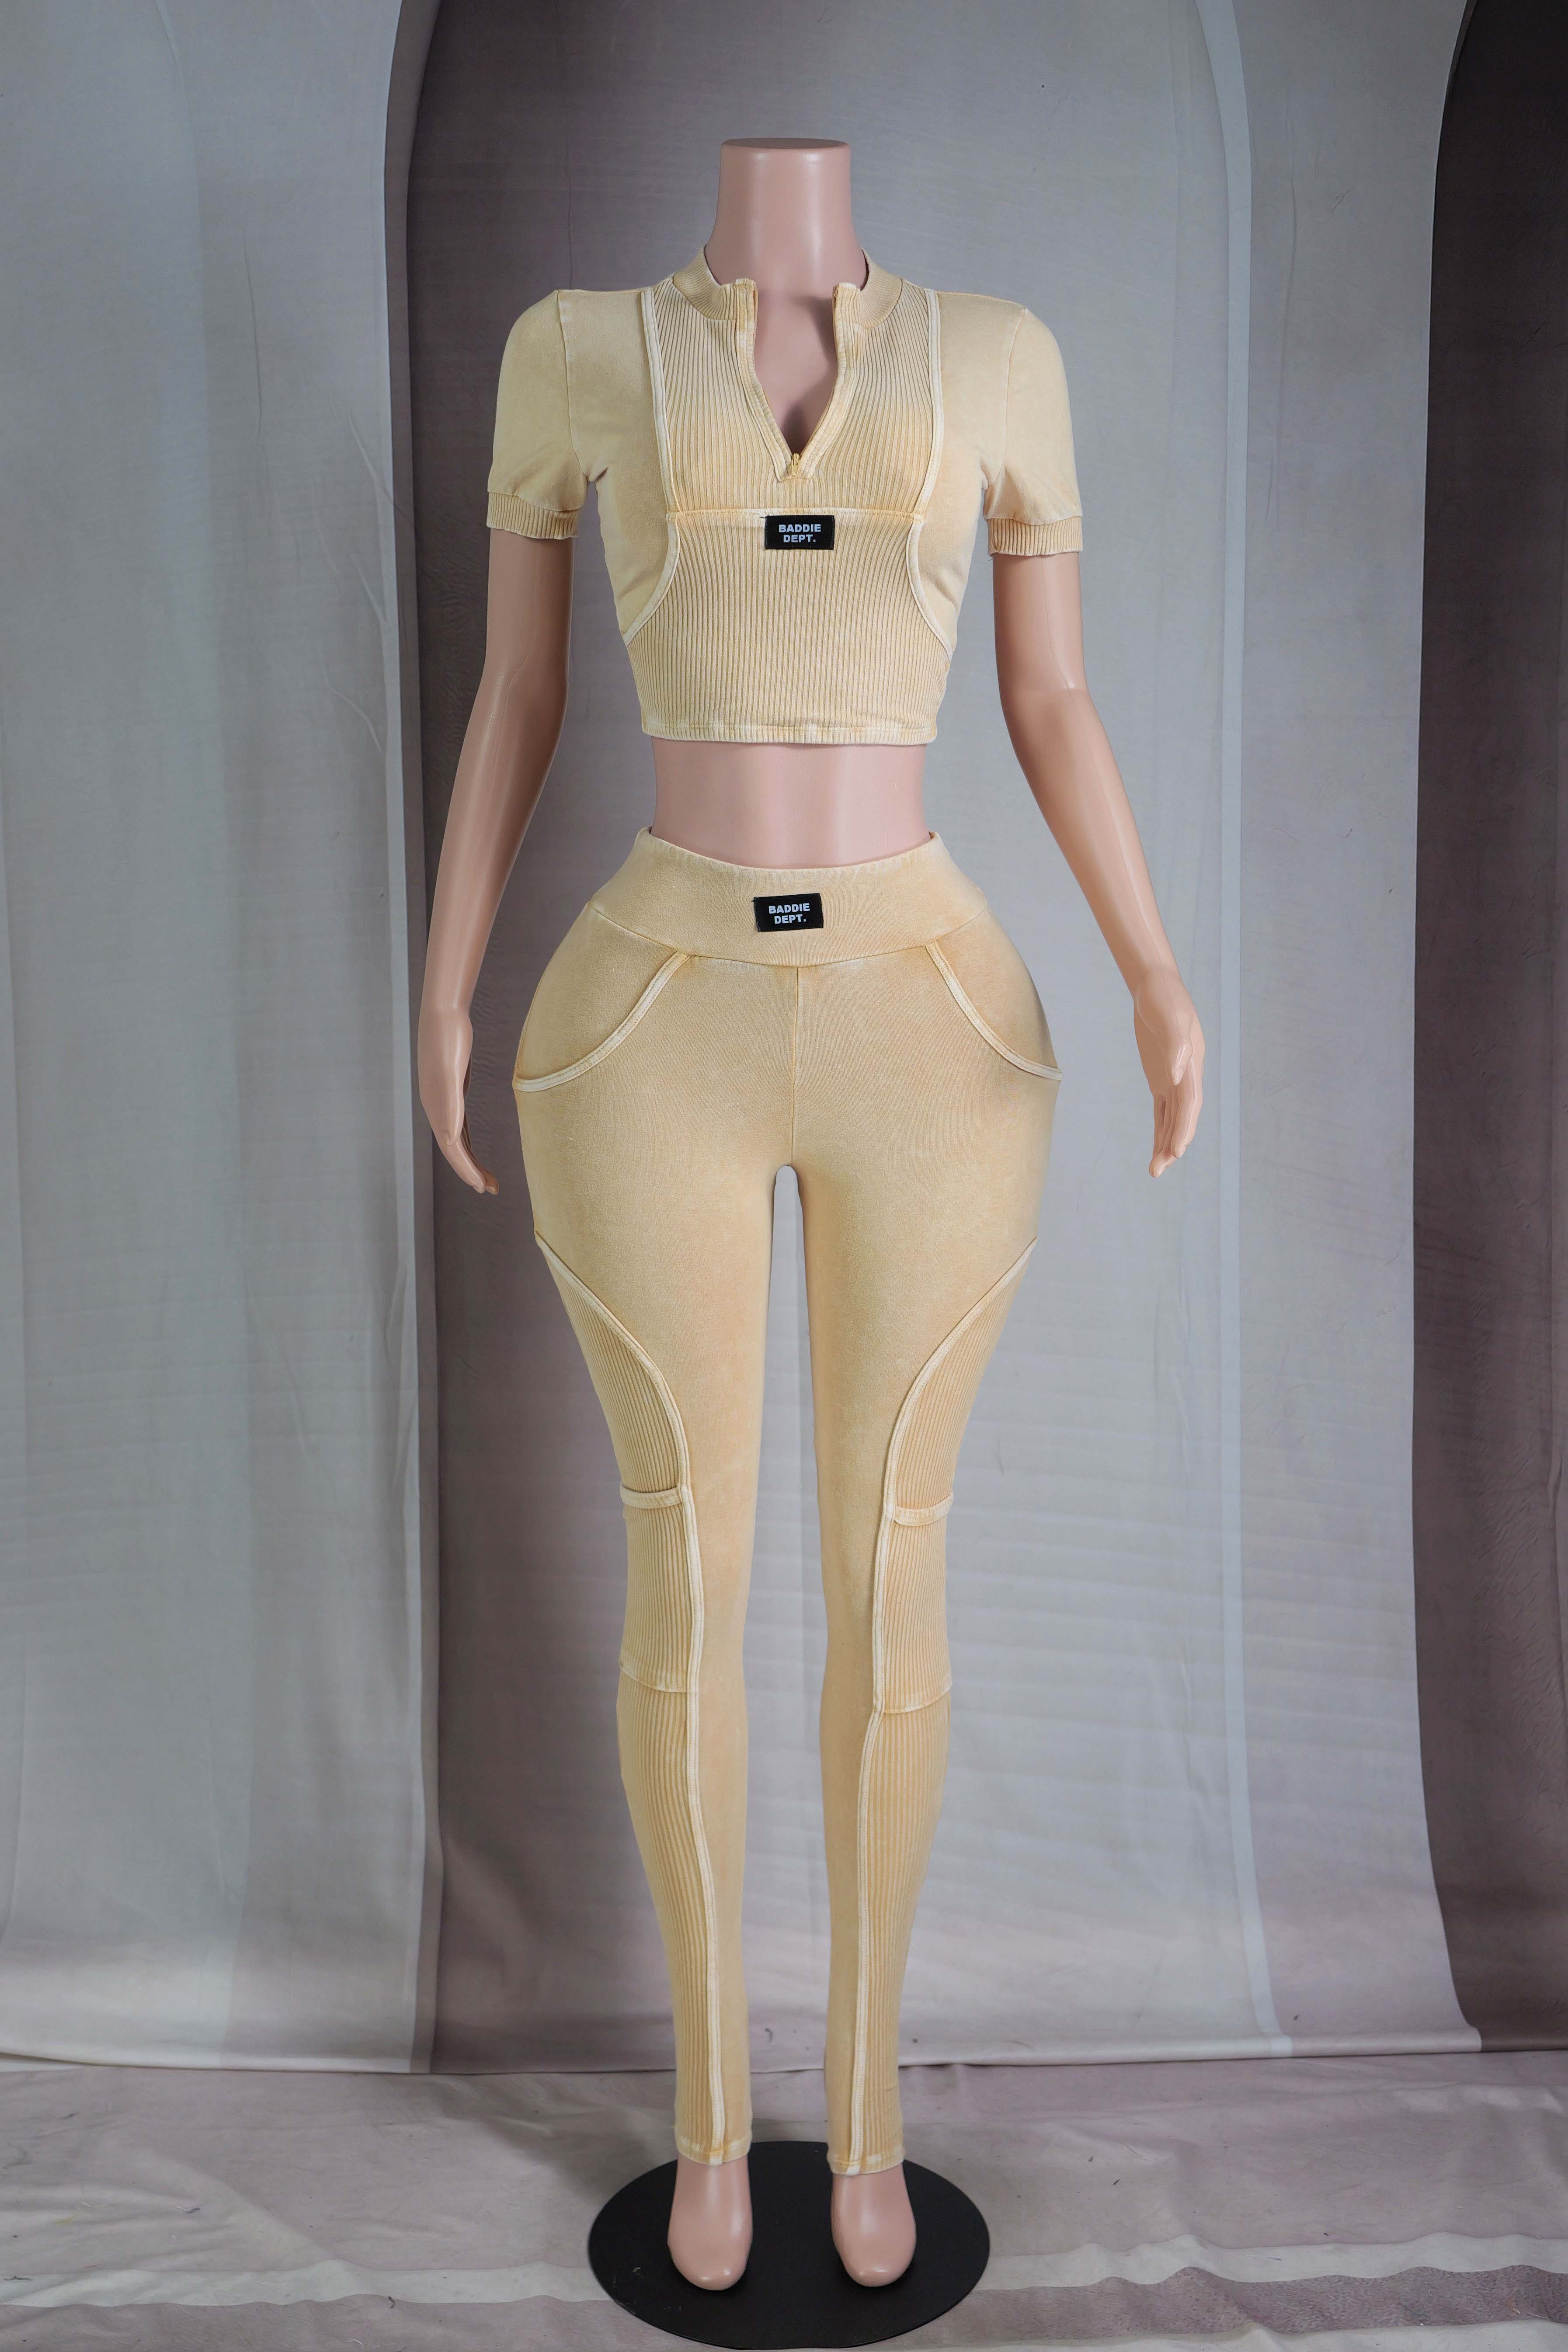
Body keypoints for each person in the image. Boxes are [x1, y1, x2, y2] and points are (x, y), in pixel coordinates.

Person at [417, 137, 1203, 2293]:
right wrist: (447, 976)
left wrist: (1152, 965)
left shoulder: (998, 358)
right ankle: (704, 2126)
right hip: (649, 1012)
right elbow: (520, 691)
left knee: (891, 1572)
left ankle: (865, 2123)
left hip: (928, 1019)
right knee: (686, 1574)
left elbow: (1050, 694)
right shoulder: (575, 351)